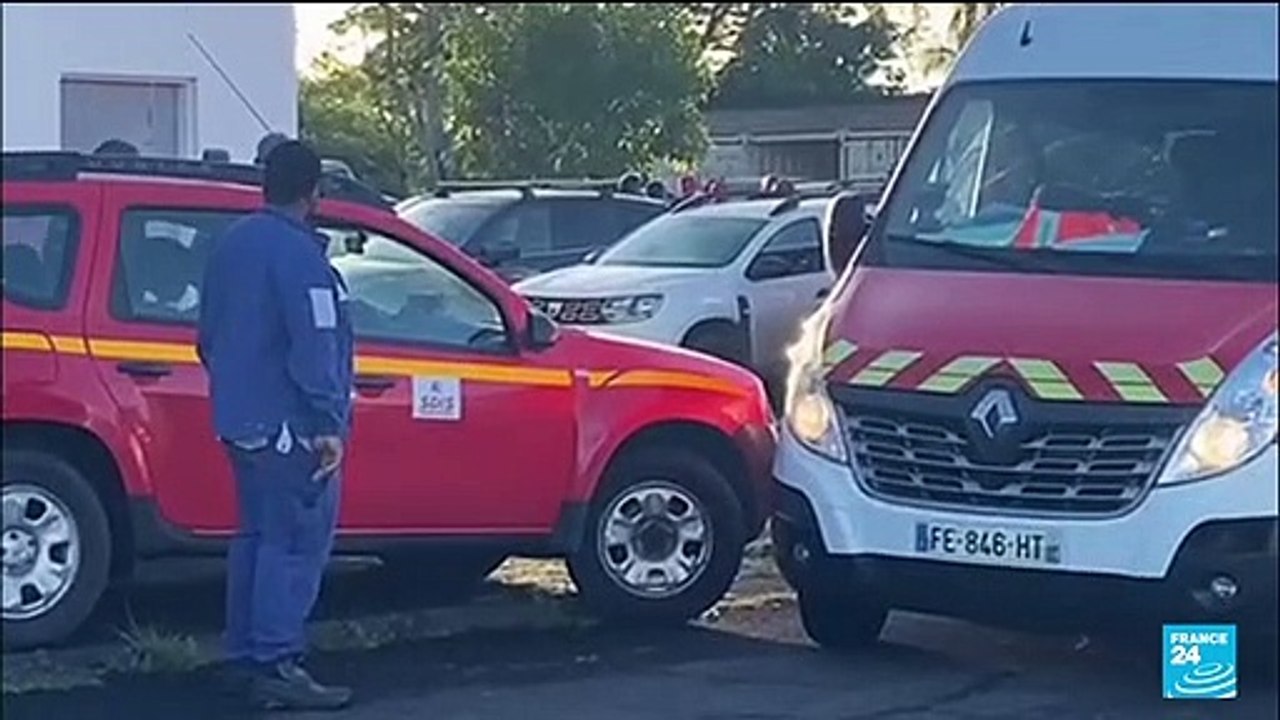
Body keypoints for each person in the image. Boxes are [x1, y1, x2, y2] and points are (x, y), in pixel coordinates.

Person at [197, 139, 354, 711]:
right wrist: (327, 421)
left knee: (255, 540)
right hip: (291, 427)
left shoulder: (231, 245)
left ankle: (244, 655)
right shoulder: (302, 259)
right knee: (292, 544)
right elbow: (315, 345)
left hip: (239, 418)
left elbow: (207, 335)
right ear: (314, 192)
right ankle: (277, 661)